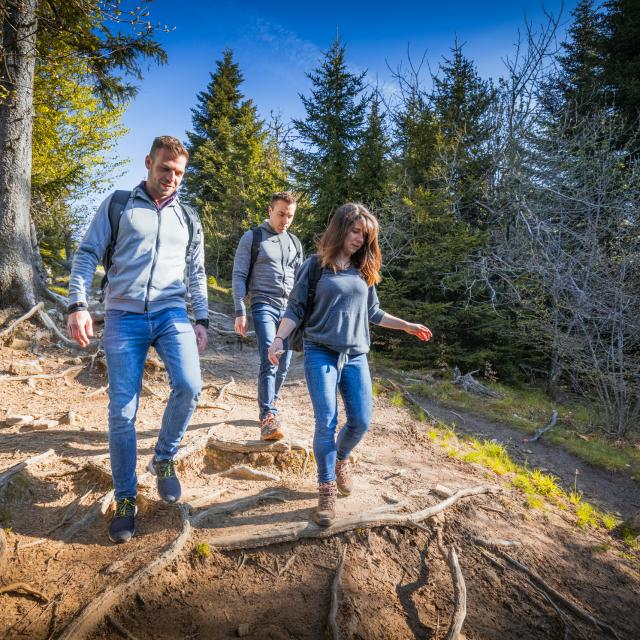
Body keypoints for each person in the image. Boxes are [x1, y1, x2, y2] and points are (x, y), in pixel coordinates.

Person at [66, 136, 209, 543]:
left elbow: (196, 273)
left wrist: (201, 318)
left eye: (179, 173)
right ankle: (126, 498)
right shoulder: (119, 204)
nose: (171, 178)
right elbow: (87, 253)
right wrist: (77, 303)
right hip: (123, 317)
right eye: (165, 168)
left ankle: (164, 458)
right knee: (122, 411)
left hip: (171, 314)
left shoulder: (188, 219)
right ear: (149, 163)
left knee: (189, 385)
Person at [269, 203, 432, 526]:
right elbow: (295, 309)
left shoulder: (364, 270)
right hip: (320, 352)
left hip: (356, 355)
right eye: (355, 231)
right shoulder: (315, 266)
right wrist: (279, 339)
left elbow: (374, 313)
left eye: (365, 235)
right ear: (341, 228)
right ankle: (326, 488)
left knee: (360, 420)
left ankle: (341, 458)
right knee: (326, 421)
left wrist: (408, 326)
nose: (360, 239)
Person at [232, 192, 303, 440]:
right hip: (263, 304)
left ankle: (271, 402)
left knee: (285, 363)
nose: (285, 220)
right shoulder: (253, 238)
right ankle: (268, 416)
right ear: (270, 210)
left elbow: (301, 281)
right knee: (270, 355)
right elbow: (239, 275)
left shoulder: (295, 242)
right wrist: (240, 309)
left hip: (290, 311)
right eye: (281, 213)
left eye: (290, 216)